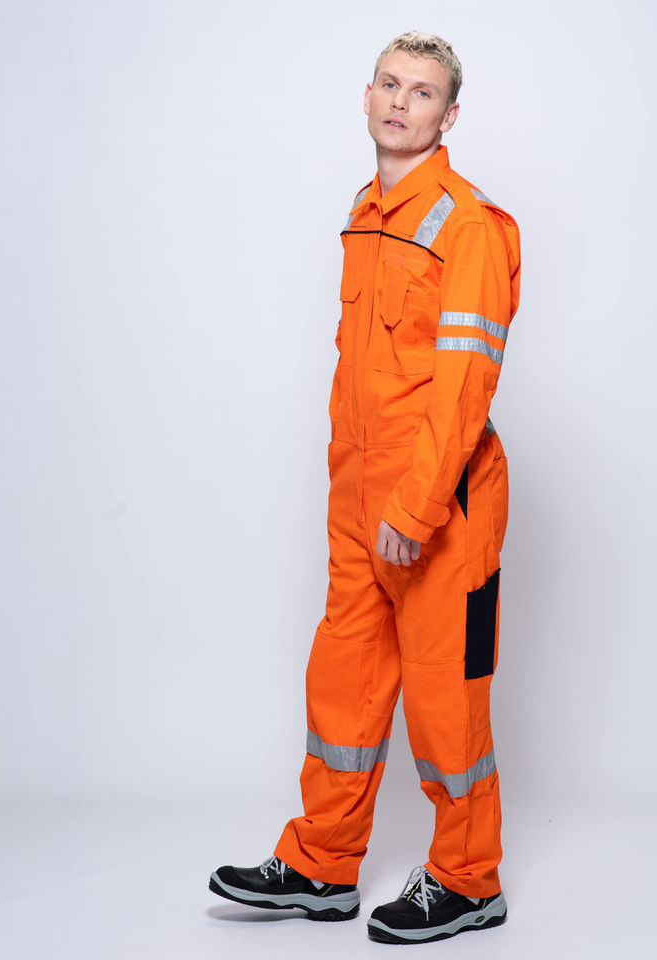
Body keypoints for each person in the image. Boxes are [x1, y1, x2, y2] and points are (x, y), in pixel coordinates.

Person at [209, 30, 521, 945]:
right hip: (357, 497)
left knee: (444, 699)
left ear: (449, 116)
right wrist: (357, 492)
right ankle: (321, 864)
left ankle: (468, 881)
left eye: (422, 92)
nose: (400, 102)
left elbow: (462, 387)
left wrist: (416, 507)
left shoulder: (469, 225)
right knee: (344, 684)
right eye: (389, 84)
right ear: (367, 95)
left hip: (439, 504)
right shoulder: (367, 210)